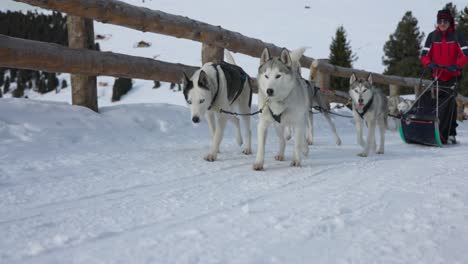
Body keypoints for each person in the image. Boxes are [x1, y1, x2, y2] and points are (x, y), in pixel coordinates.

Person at [420, 9, 468, 144]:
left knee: (450, 103)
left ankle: (449, 133)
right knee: (436, 103)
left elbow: (466, 54)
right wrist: (429, 64)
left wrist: (457, 65)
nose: (442, 23)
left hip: (453, 75)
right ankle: (434, 129)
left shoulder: (457, 36)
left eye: (445, 21)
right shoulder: (432, 36)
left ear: (450, 22)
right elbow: (424, 56)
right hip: (437, 75)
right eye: (439, 21)